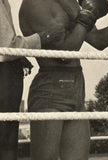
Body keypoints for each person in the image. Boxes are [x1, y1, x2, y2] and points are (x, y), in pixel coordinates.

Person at [19, 0, 108, 160]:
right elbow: (64, 54)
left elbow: (99, 40)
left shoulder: (69, 3)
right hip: (50, 89)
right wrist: (87, 15)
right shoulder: (35, 4)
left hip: (77, 87)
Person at [0, 0, 66, 160]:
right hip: (5, 77)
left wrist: (19, 56)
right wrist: (44, 37)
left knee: (7, 137)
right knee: (6, 139)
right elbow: (7, 47)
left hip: (9, 75)